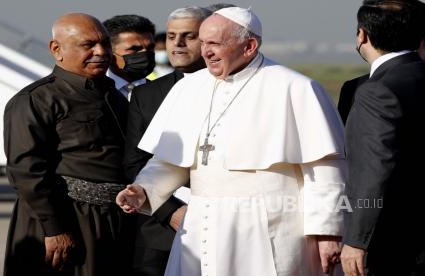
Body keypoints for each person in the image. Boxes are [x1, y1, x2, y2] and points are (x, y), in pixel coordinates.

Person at [117, 7, 347, 276]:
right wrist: (143, 189)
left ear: (249, 46)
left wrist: (328, 231)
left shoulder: (295, 87)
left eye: (214, 43)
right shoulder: (188, 88)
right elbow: (170, 162)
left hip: (271, 226)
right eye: (203, 43)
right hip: (202, 224)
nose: (205, 52)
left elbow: (324, 169)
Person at [3, 13, 135, 276]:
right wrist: (55, 228)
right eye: (88, 45)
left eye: (105, 44)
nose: (101, 52)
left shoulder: (114, 95)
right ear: (56, 49)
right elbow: (26, 171)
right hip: (68, 220)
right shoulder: (36, 100)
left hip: (117, 221)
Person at [123, 6, 210, 276]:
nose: (177, 44)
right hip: (160, 231)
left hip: (222, 224)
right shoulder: (146, 95)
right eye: (171, 36)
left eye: (188, 36)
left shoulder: (242, 91)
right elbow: (134, 162)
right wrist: (170, 212)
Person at [340, 1, 425, 275]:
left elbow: (372, 171)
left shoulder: (376, 91)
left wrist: (356, 239)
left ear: (363, 35)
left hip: (396, 242)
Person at [103, 15, 156, 101]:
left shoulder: (165, 92)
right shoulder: (93, 93)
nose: (145, 54)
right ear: (109, 52)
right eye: (134, 49)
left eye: (150, 48)